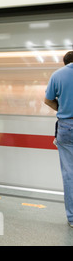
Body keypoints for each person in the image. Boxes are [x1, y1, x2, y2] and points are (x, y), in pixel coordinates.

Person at [44, 51, 73, 228]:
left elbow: (47, 100)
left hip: (66, 126)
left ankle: (72, 217)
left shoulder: (58, 74)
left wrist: (62, 109)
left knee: (69, 173)